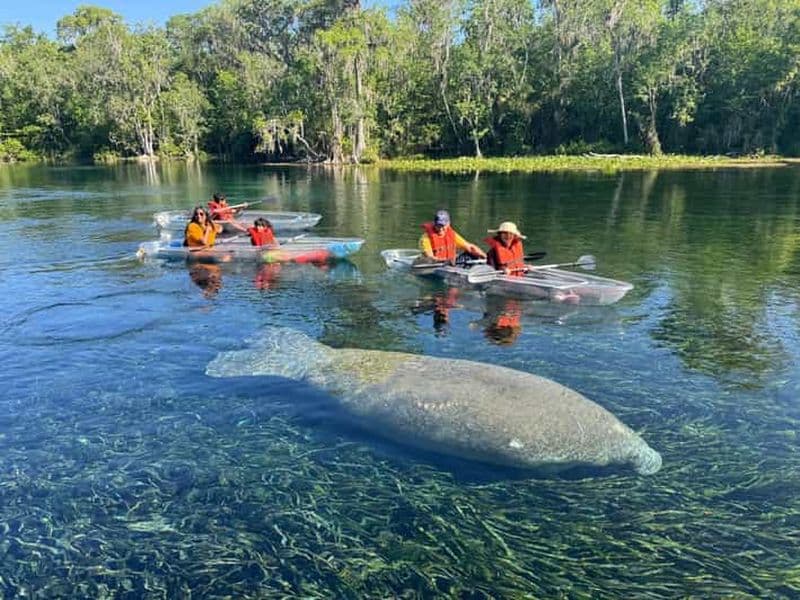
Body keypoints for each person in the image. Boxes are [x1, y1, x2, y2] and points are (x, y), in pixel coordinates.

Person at [418, 209, 486, 264]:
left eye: (443, 226)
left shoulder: (451, 234)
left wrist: (485, 257)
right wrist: (446, 261)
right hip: (436, 264)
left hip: (451, 262)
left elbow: (470, 247)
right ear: (435, 224)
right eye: (438, 226)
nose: (441, 229)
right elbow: (430, 258)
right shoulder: (425, 239)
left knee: (472, 254)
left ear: (448, 224)